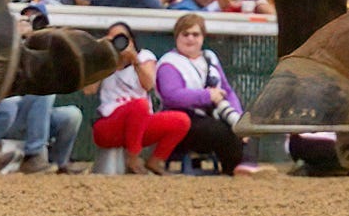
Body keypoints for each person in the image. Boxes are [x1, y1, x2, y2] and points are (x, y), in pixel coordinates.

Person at [151, 10, 258, 174]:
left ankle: (246, 166)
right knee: (221, 131)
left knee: (243, 127)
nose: (190, 39)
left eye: (195, 34)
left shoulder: (209, 58)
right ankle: (237, 168)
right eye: (185, 34)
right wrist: (207, 96)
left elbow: (227, 91)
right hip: (182, 120)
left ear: (203, 37)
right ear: (177, 37)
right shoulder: (169, 64)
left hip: (212, 114)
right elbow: (171, 96)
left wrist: (238, 116)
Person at [86, 25, 185, 175]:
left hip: (140, 124)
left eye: (121, 39)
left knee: (181, 120)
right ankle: (133, 159)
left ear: (131, 41)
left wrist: (134, 60)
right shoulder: (104, 61)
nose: (117, 44)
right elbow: (89, 90)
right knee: (138, 105)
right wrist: (102, 57)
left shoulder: (144, 57)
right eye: (112, 39)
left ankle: (155, 161)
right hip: (111, 125)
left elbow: (148, 85)